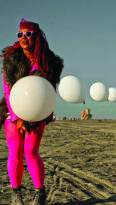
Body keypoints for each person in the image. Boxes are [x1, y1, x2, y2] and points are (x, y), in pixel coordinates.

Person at [0, 19, 63, 205]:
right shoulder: (11, 60)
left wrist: (47, 109)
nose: (23, 37)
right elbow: (8, 89)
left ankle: (39, 192)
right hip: (12, 111)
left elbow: (50, 89)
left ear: (37, 36)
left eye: (28, 34)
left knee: (31, 150)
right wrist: (17, 116)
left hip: (37, 112)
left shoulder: (49, 62)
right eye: (20, 34)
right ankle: (15, 193)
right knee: (15, 150)